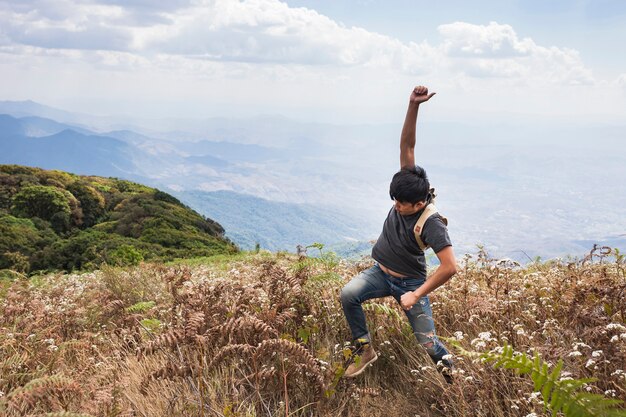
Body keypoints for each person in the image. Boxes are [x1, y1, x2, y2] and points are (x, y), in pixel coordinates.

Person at [340, 85, 457, 381]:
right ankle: (365, 349)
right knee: (348, 295)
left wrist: (415, 294)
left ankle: (455, 384)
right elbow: (407, 145)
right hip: (380, 272)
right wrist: (413, 104)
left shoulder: (431, 224)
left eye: (401, 204)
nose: (396, 206)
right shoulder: (409, 184)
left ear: (419, 203)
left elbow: (450, 267)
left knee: (428, 342)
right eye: (394, 200)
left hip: (410, 283)